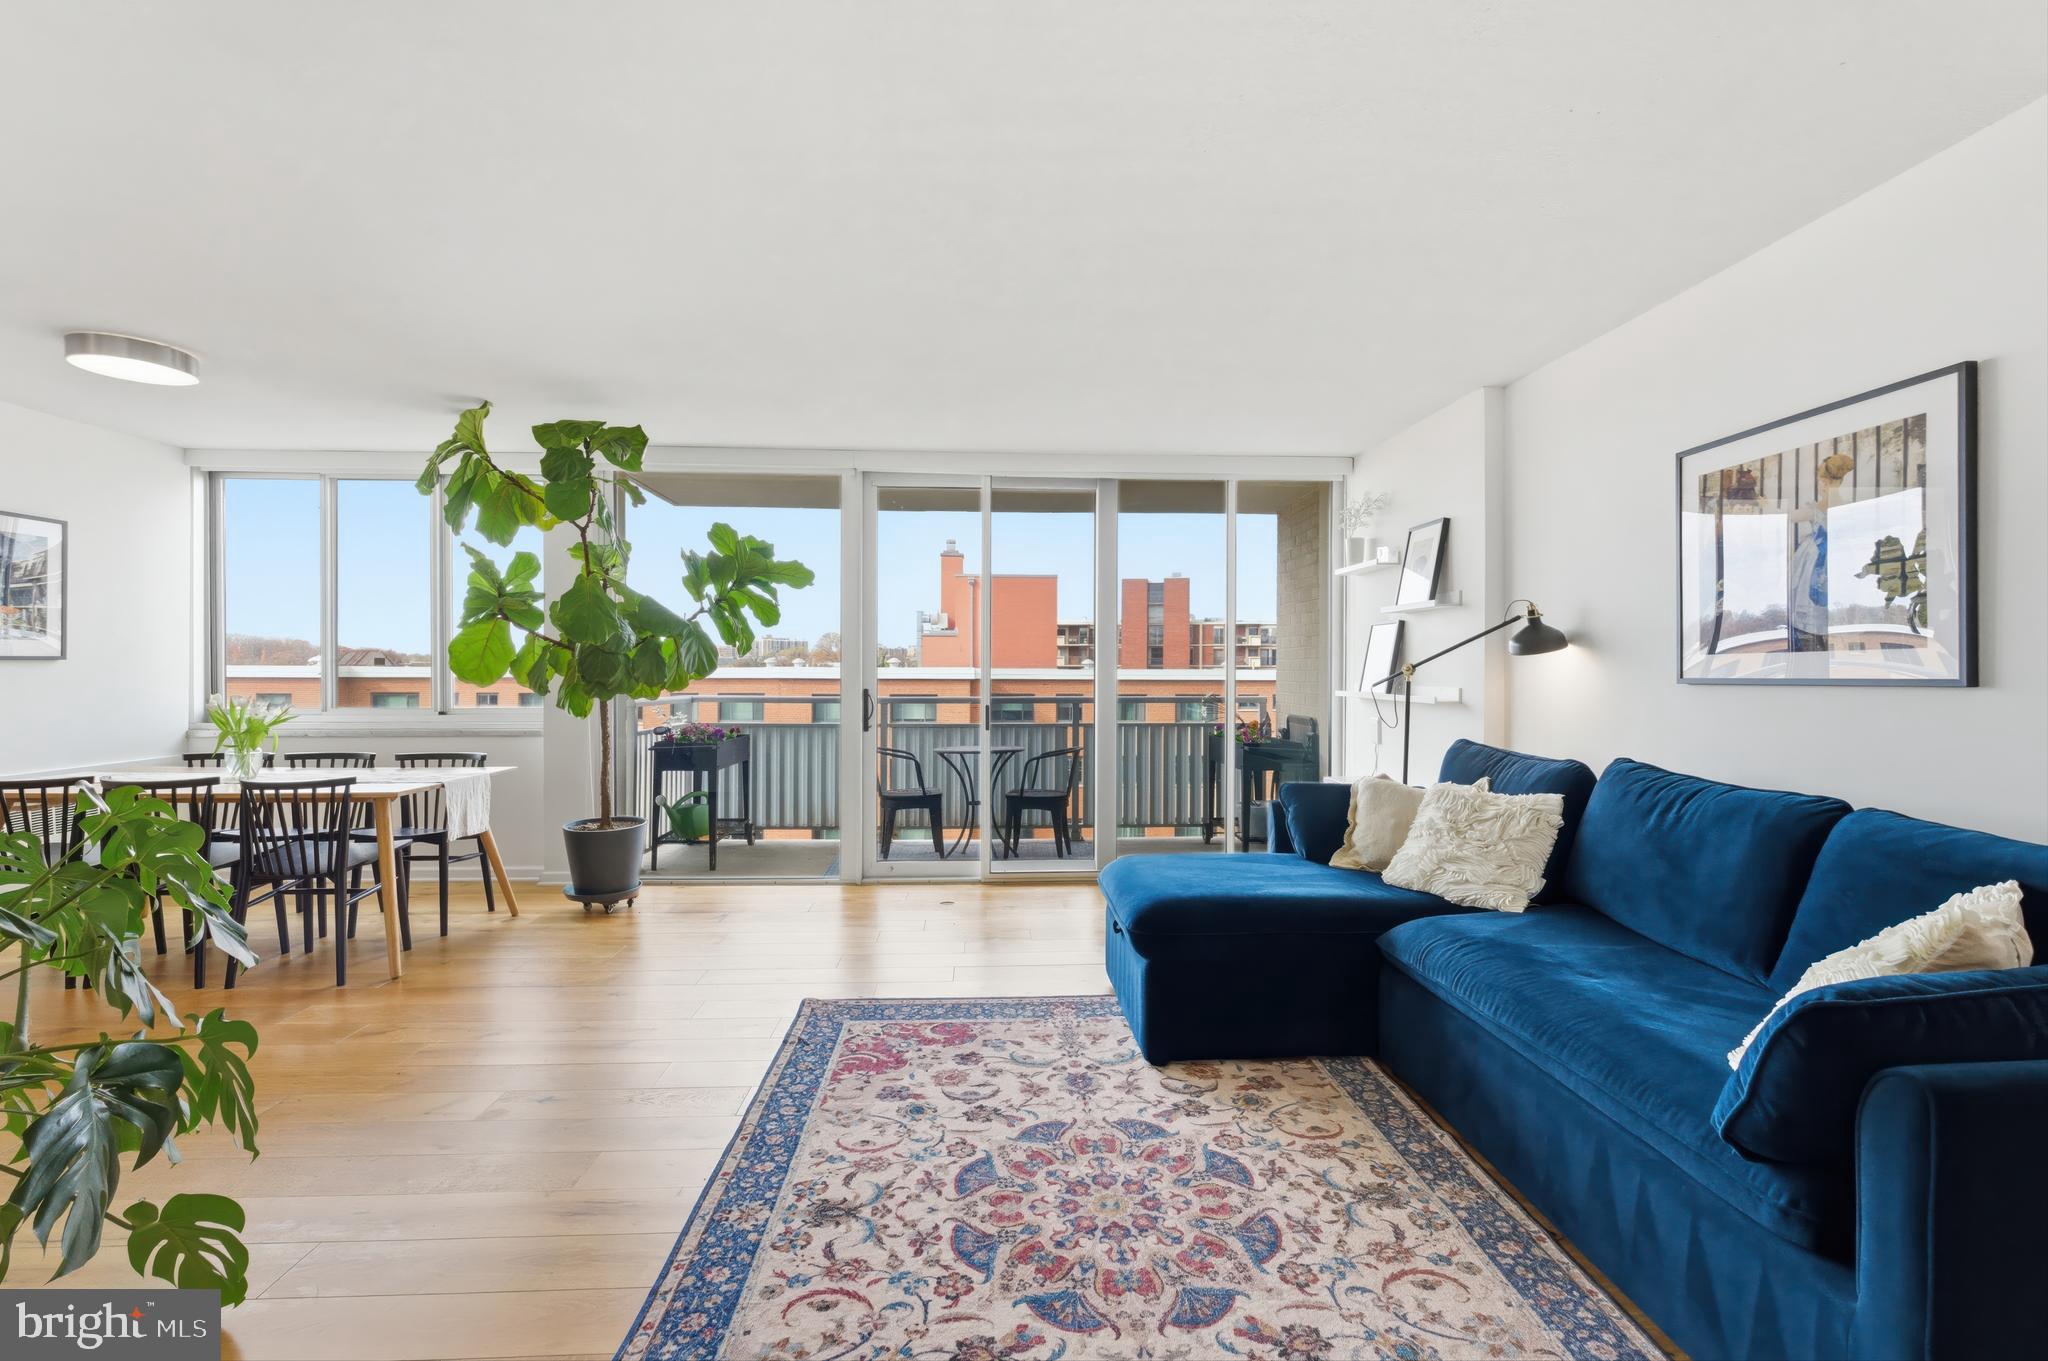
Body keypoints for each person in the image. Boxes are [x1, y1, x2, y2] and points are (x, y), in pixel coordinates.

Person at [1784, 451, 1856, 651]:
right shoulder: (1846, 505)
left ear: (1824, 482)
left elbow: (1791, 517)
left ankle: (1814, 637)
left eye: (1820, 481)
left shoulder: (1821, 506)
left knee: (1810, 592)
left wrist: (1766, 505)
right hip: (1840, 554)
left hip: (1817, 556)